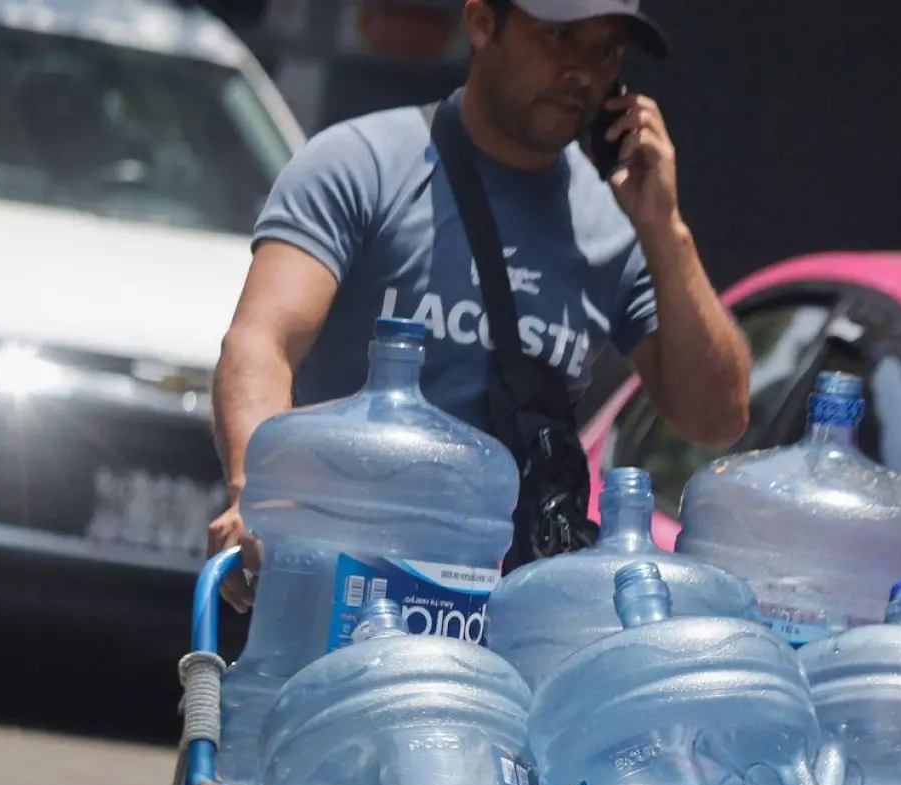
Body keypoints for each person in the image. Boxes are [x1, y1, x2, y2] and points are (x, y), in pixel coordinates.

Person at [207, 0, 752, 610]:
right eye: (560, 38)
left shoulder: (619, 227)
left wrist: (666, 230)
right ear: (482, 22)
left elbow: (716, 417)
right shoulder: (361, 165)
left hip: (508, 631)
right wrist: (256, 499)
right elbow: (262, 341)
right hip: (343, 593)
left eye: (605, 50)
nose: (582, 71)